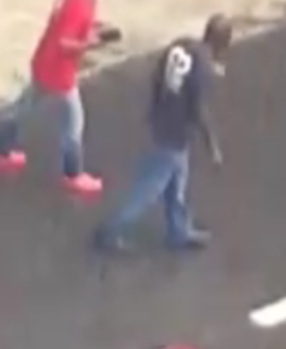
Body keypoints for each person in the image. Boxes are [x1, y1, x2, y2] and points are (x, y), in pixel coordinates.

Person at [95, 14, 231, 255]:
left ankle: (178, 231)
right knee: (149, 188)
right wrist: (212, 144)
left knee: (177, 182)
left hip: (162, 120)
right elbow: (198, 108)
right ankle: (112, 229)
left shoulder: (181, 46)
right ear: (222, 42)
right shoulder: (204, 67)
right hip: (175, 133)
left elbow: (157, 77)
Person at [0, 0, 119, 196]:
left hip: (44, 63)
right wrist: (90, 44)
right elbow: (64, 43)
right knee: (74, 124)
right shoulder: (80, 3)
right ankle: (73, 174)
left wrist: (94, 28)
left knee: (21, 111)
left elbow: (67, 24)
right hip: (58, 74)